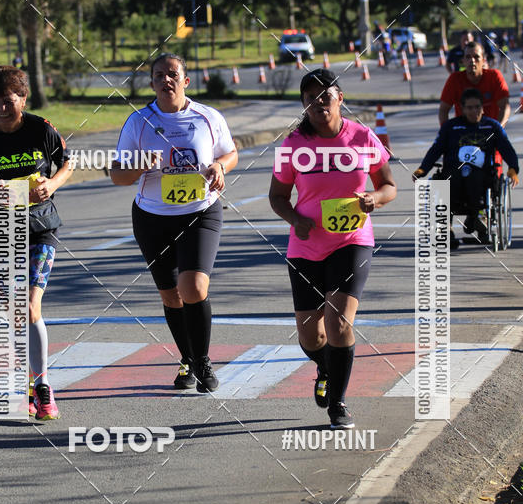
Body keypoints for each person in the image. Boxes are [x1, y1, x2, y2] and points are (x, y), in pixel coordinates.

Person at [269, 69, 397, 429]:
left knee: (338, 323)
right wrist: (296, 219)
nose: (318, 102)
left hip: (352, 241)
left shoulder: (362, 137)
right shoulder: (293, 144)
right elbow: (277, 198)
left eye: (325, 95)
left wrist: (375, 198)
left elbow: (389, 185)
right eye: (310, 98)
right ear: (304, 105)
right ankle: (325, 366)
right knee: (311, 335)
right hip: (306, 245)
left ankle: (338, 403)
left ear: (340, 98)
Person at [110, 53, 238, 393]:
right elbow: (117, 175)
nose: (165, 80)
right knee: (171, 297)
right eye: (158, 76)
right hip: (152, 218)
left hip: (200, 213)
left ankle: (203, 360)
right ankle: (187, 359)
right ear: (151, 83)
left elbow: (230, 152)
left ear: (185, 81)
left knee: (193, 287)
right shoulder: (138, 122)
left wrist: (220, 167)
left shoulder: (207, 117)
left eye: (172, 74)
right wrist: (140, 166)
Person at [0, 65, 71, 419]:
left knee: (30, 306)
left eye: (8, 101)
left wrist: (51, 186)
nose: (1, 109)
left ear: (23, 98)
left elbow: (68, 164)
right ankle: (25, 384)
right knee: (14, 313)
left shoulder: (42, 129)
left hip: (40, 227)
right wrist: (1, 192)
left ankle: (42, 386)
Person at [413, 87, 519, 248]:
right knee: (443, 182)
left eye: (477, 107)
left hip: (482, 174)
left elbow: (507, 149)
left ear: (483, 108)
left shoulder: (492, 127)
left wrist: (513, 169)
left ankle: (477, 217)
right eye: (469, 107)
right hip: (453, 172)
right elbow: (436, 149)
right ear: (462, 109)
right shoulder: (451, 127)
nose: (474, 111)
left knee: (476, 177)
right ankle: (445, 230)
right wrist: (423, 169)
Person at [439, 41, 510, 127]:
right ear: (463, 61)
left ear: (483, 60)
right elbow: (443, 110)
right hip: (464, 135)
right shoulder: (455, 79)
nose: (472, 61)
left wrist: (498, 130)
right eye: (468, 57)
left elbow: (505, 107)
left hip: (490, 131)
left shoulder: (494, 76)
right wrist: (447, 134)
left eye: (476, 57)